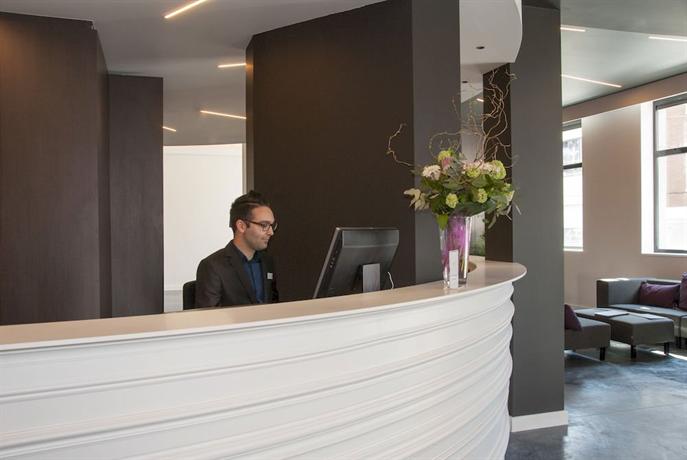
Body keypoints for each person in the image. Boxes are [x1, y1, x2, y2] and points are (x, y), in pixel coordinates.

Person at [195, 191, 279, 308]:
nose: (271, 232)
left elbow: (274, 305)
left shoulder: (267, 262)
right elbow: (209, 315)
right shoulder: (213, 266)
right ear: (241, 226)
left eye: (272, 225)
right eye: (264, 225)